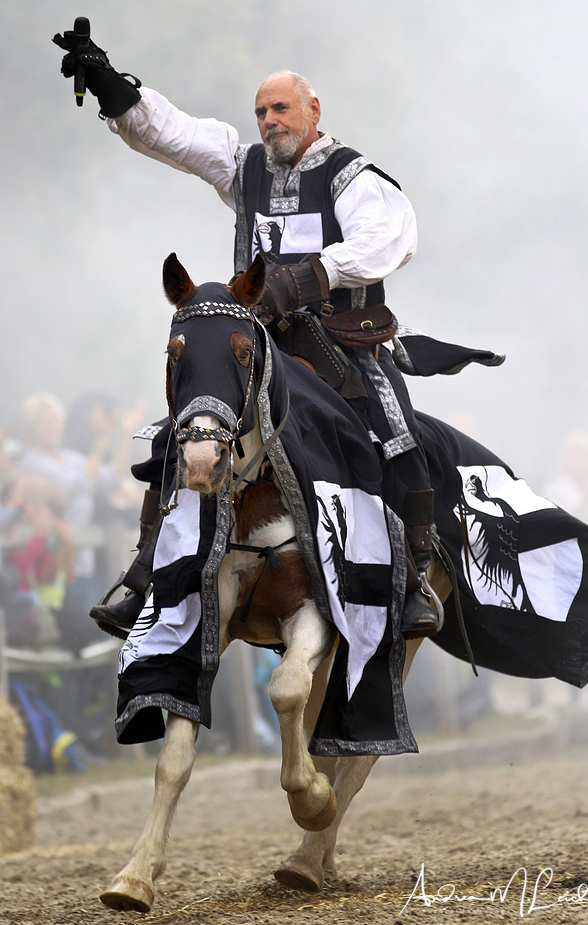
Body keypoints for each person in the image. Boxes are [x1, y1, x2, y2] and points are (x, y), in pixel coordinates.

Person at [52, 28, 443, 640]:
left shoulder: (351, 175)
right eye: (261, 111)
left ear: (314, 111)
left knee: (396, 429)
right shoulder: (245, 167)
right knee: (182, 425)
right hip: (256, 340)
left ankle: (416, 579)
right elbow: (175, 135)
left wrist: (305, 279)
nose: (268, 120)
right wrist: (111, 88)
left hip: (340, 339)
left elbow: (389, 238)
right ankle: (144, 572)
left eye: (281, 108)